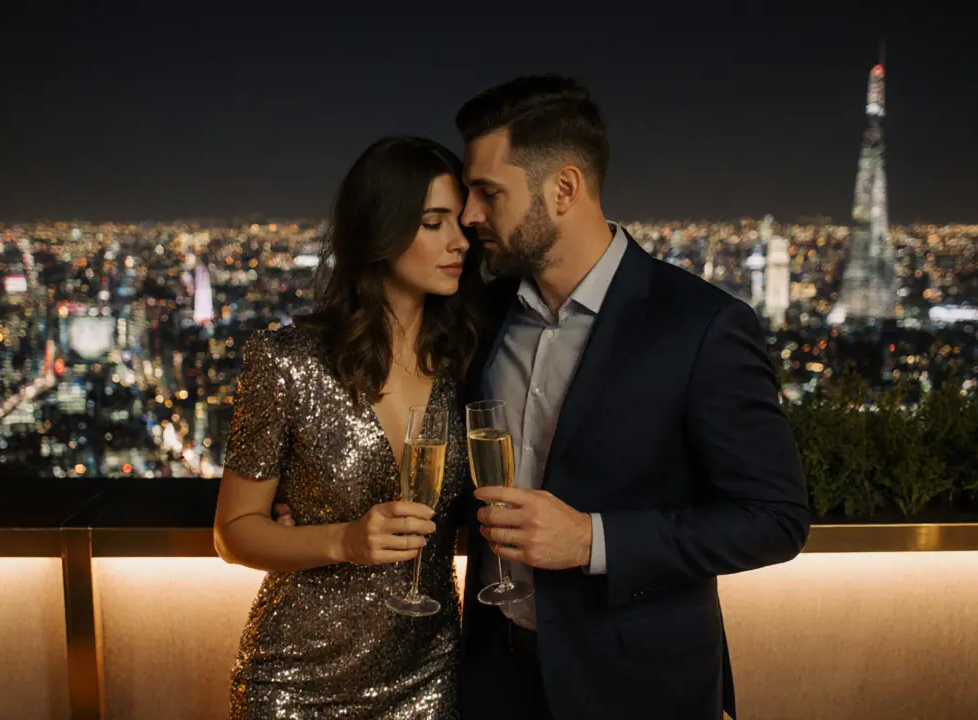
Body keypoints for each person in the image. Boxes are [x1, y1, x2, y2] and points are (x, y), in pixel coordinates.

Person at [454, 75, 812, 720]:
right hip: (494, 678)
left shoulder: (700, 325)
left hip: (636, 689)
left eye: (488, 193)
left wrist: (592, 541)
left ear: (563, 188)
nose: (469, 214)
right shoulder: (487, 312)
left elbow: (775, 519)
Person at [213, 135, 482, 719]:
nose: (459, 241)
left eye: (460, 223)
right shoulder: (285, 361)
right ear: (380, 230)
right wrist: (342, 540)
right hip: (297, 680)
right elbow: (232, 533)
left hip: (428, 673)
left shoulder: (468, 363)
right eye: (434, 223)